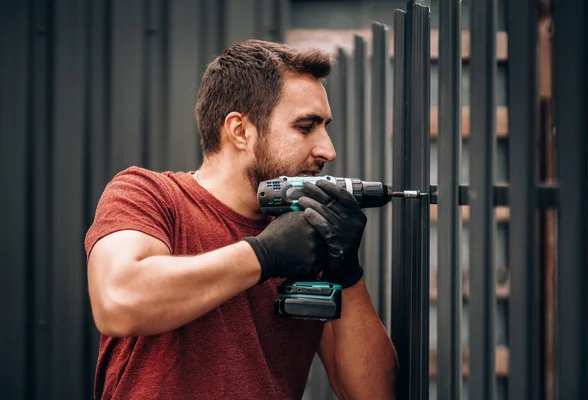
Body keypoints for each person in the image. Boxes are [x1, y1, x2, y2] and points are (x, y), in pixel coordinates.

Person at [85, 39, 398, 400]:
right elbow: (119, 302)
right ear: (240, 131)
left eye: (325, 127)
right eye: (305, 127)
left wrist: (347, 274)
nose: (328, 149)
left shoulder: (309, 238)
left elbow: (373, 394)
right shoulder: (150, 195)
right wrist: (264, 255)